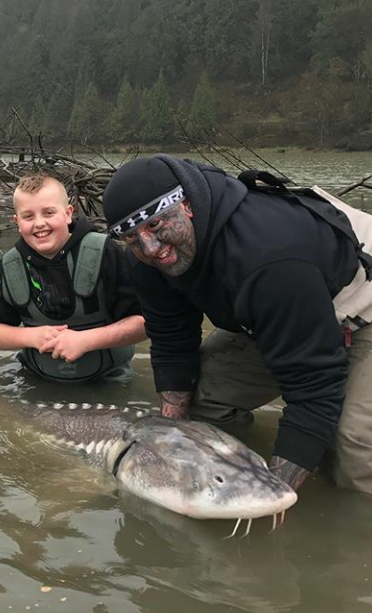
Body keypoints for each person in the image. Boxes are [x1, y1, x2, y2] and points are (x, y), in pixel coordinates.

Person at [102, 154, 372, 494]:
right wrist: (168, 443)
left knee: (352, 452)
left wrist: (270, 495)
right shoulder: (146, 259)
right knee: (203, 402)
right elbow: (171, 339)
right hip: (276, 313)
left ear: (186, 205)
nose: (151, 248)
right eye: (132, 238)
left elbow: (314, 387)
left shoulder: (267, 258)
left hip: (362, 303)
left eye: (155, 225)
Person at [0, 173, 146, 382]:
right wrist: (30, 337)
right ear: (17, 221)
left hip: (109, 380)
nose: (39, 224)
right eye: (28, 216)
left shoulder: (106, 253)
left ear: (68, 213)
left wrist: (85, 340)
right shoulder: (9, 266)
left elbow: (145, 322)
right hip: (37, 379)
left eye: (48, 213)